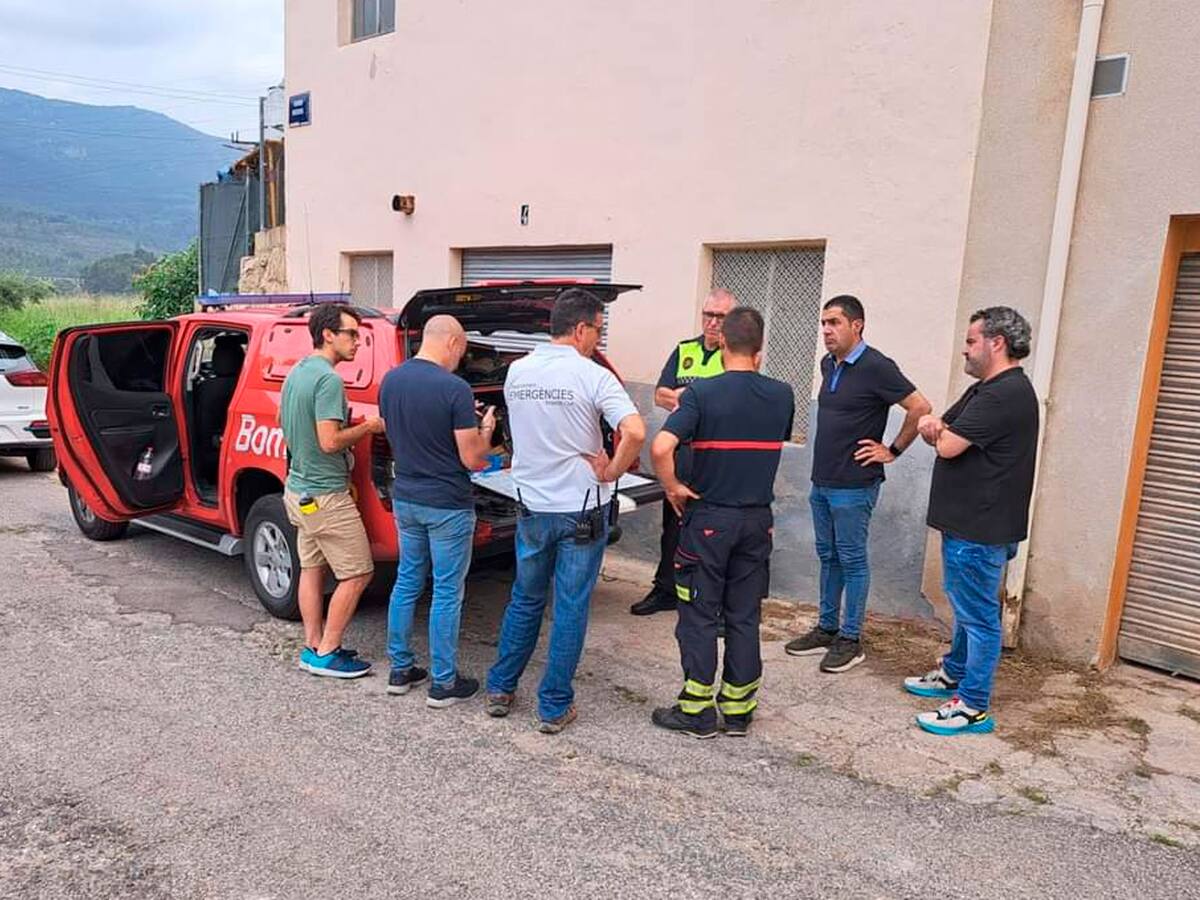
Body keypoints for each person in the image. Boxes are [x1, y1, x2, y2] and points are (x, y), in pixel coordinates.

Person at [485, 288, 646, 733]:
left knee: (525, 597)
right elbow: (634, 430)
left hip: (532, 506)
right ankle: (553, 706)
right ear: (580, 329)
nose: (599, 339)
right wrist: (611, 470)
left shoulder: (517, 371)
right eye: (598, 330)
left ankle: (500, 687)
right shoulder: (594, 376)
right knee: (571, 607)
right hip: (580, 510)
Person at [649, 308, 794, 738]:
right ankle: (737, 709)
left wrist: (673, 485)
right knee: (744, 614)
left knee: (698, 611)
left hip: (709, 518)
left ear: (723, 345)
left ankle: (695, 709)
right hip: (757, 521)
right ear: (760, 351)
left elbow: (661, 447)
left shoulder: (701, 394)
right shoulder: (782, 394)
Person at [904, 306, 1038, 735]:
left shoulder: (1005, 394)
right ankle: (954, 673)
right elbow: (944, 425)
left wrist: (935, 431)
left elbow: (947, 443)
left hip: (980, 530)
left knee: (979, 618)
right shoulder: (985, 388)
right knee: (967, 610)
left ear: (996, 342)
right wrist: (936, 428)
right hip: (970, 525)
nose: (964, 350)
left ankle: (973, 705)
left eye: (970, 341)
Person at [784, 295, 931, 673]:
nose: (826, 331)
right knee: (828, 555)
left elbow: (920, 407)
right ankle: (827, 628)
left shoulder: (877, 366)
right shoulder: (828, 363)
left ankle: (851, 639)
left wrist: (893, 450)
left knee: (851, 558)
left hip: (854, 484)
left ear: (857, 325)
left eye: (834, 323)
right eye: (824, 324)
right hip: (823, 479)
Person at [379, 314, 497, 707]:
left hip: (406, 497)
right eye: (462, 349)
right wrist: (487, 432)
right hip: (446, 503)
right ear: (452, 342)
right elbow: (472, 459)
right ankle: (443, 683)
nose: (461, 358)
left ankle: (400, 669)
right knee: (447, 590)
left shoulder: (391, 380)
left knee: (407, 581)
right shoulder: (454, 388)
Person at [279, 303, 385, 678]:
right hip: (325, 497)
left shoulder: (297, 372)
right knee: (357, 573)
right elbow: (329, 441)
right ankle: (328, 651)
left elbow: (291, 427)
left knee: (311, 567)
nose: (357, 341)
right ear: (328, 335)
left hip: (299, 493)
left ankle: (312, 644)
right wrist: (368, 428)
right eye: (351, 334)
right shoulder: (328, 380)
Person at [631, 288, 737, 616]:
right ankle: (666, 589)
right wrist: (694, 399)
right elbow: (660, 395)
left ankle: (713, 602)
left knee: (714, 531)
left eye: (721, 316)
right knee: (674, 524)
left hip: (717, 455)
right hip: (681, 451)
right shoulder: (685, 350)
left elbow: (733, 401)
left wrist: (686, 397)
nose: (713, 322)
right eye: (709, 314)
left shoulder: (736, 355)